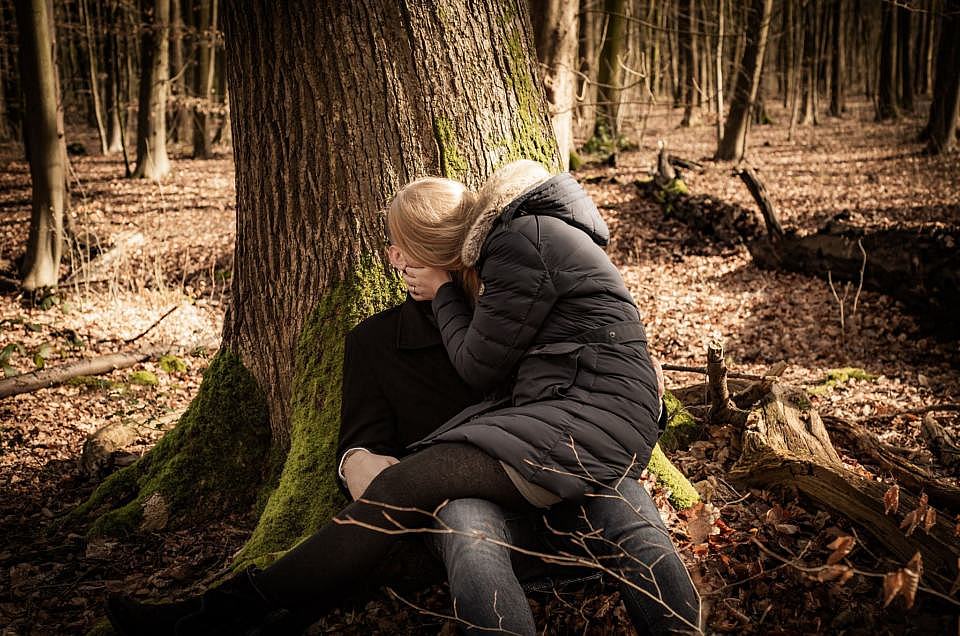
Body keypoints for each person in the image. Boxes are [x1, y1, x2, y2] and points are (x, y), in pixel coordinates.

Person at [107, 160, 701, 635]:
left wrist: (445, 294)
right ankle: (224, 614)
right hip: (506, 478)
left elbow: (502, 368)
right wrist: (354, 461)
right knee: (457, 526)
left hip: (565, 455)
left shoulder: (512, 288)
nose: (390, 260)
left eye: (398, 246)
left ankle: (218, 615)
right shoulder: (378, 339)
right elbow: (361, 439)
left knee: (629, 517)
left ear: (429, 252)